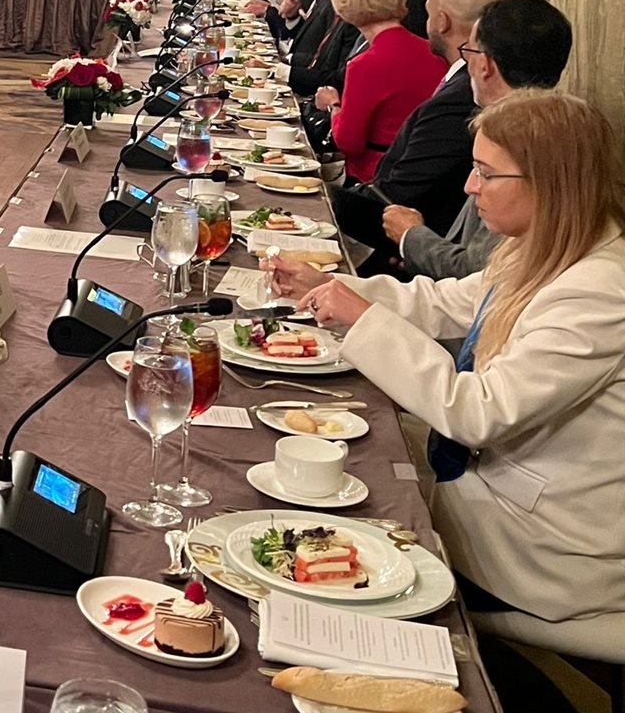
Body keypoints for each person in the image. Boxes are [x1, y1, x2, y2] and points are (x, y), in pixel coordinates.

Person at [267, 90, 625, 624]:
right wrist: (332, 287)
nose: (469, 186)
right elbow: (446, 301)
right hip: (486, 489)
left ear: (550, 183)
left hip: (538, 551)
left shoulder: (599, 290)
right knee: (314, 464)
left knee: (321, 521)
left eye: (486, 173)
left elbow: (478, 412)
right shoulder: (547, 244)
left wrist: (364, 320)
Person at [382, 0, 573, 280]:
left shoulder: (523, 141)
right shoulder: (559, 128)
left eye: (469, 51)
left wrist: (411, 236)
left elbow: (478, 270)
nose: (472, 186)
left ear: (484, 64)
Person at [329, 0, 502, 253]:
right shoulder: (446, 67)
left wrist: (327, 200)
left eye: (428, 14)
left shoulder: (462, 93)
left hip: (400, 220)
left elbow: (398, 184)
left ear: (442, 21)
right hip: (398, 208)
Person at [312, 0, 446, 185]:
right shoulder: (433, 52)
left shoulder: (366, 64)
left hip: (373, 178)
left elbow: (348, 142)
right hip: (420, 174)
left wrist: (333, 105)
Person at [290, 0, 373, 98]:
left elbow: (339, 78)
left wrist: (284, 71)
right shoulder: (333, 0)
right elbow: (322, 58)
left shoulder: (355, 15)